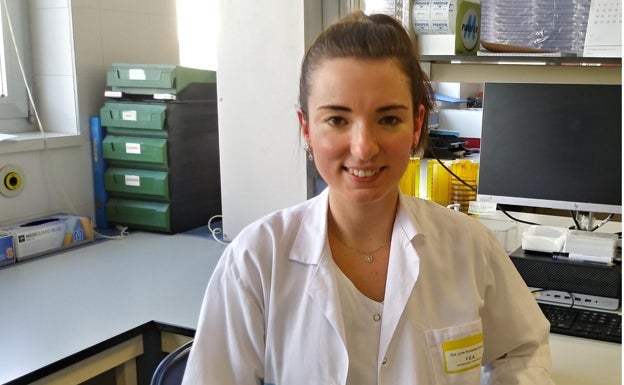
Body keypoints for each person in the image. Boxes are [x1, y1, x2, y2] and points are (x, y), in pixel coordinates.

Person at [182, 11, 555, 385]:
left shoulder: (469, 247)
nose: (363, 148)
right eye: (338, 120)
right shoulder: (256, 261)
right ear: (307, 130)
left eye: (388, 119)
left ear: (416, 126)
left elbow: (521, 351)